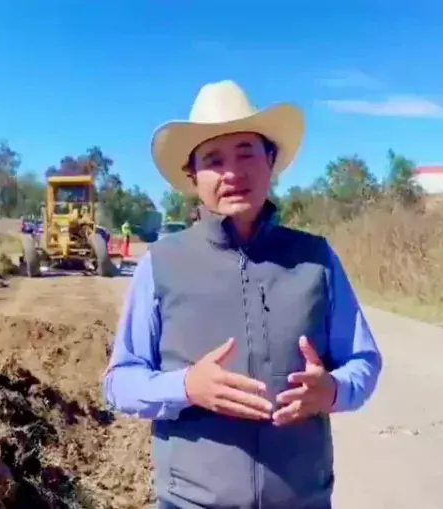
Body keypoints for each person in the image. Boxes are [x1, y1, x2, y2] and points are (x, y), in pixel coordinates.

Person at [102, 80, 382, 509]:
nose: (232, 172)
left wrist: (331, 391)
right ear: (193, 178)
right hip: (191, 501)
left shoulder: (316, 259)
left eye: (247, 153)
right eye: (214, 159)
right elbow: (120, 381)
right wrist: (186, 387)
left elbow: (363, 361)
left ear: (271, 162)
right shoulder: (160, 263)